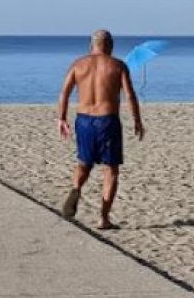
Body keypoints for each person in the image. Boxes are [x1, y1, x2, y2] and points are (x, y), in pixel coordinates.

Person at [56, 29, 144, 230]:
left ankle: (76, 187)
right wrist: (137, 120)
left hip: (84, 120)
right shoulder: (118, 65)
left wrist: (61, 118)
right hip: (107, 121)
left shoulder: (78, 64)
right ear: (110, 46)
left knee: (84, 162)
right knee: (110, 170)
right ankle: (103, 218)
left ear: (91, 45)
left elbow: (64, 93)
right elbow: (130, 96)